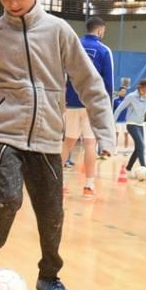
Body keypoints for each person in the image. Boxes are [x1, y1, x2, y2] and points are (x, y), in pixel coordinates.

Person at [0, 0, 114, 290]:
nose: (12, 3)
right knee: (7, 198)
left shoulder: (59, 31)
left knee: (52, 213)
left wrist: (105, 132)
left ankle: (49, 276)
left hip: (48, 136)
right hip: (4, 132)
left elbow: (90, 84)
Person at [60, 17, 114, 200]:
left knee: (68, 142)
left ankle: (57, 183)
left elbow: (61, 74)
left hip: (71, 102)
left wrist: (63, 98)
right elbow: (108, 83)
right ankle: (89, 186)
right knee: (90, 143)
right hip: (92, 104)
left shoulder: (73, 46)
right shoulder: (104, 51)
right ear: (100, 31)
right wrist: (106, 110)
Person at [113, 77, 146, 173]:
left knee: (138, 147)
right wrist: (112, 122)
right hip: (131, 124)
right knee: (141, 145)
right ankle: (144, 167)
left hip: (140, 125)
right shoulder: (131, 96)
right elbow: (119, 109)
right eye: (144, 88)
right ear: (140, 87)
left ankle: (128, 168)